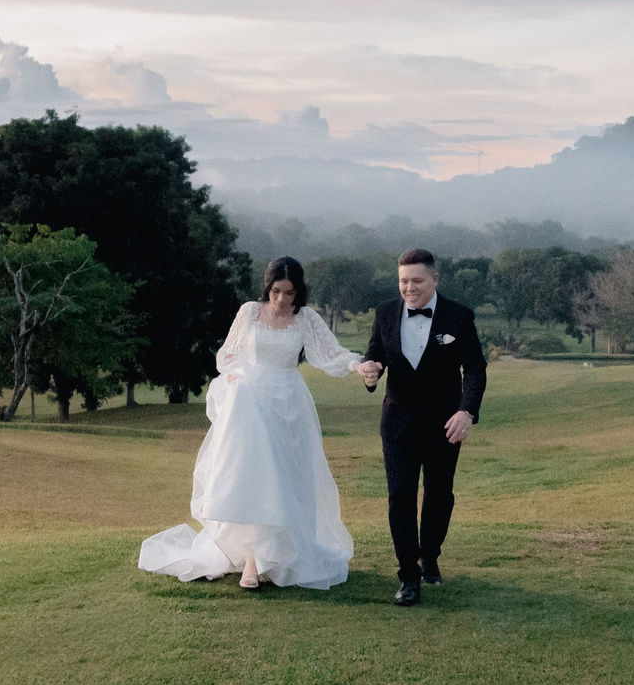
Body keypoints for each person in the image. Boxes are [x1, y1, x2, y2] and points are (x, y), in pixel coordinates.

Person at [138, 256, 367, 591]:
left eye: (289, 292)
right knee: (253, 478)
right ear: (267, 287)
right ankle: (250, 560)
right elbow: (226, 356)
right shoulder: (248, 312)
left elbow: (331, 354)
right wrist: (234, 379)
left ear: (298, 291)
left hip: (288, 404)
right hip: (250, 403)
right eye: (276, 291)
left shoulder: (305, 318)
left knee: (286, 480)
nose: (281, 299)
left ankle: (279, 557)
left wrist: (358, 366)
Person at [353, 248, 486, 607]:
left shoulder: (459, 316)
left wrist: (466, 412)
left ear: (434, 280)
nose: (409, 288)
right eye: (403, 281)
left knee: (440, 494)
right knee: (400, 497)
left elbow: (474, 369)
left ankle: (430, 554)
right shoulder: (384, 313)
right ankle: (408, 576)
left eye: (416, 281)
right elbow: (374, 356)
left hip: (445, 424)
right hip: (397, 423)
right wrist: (370, 372)